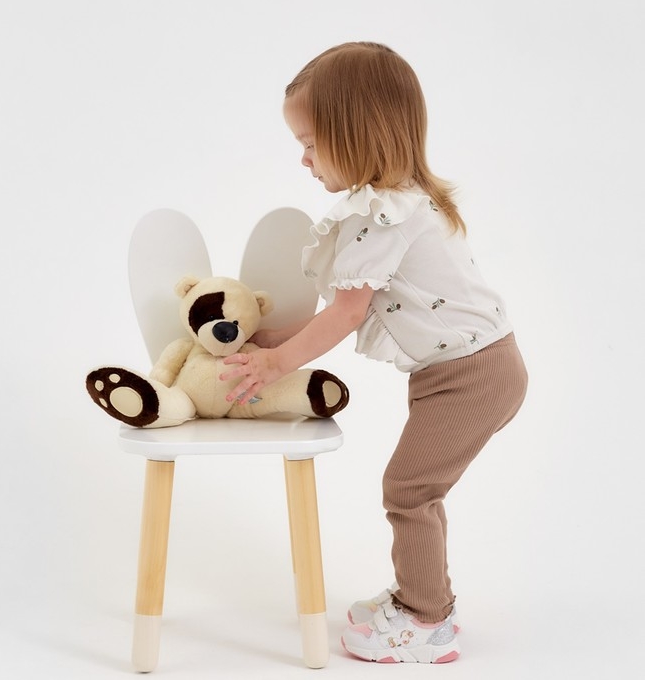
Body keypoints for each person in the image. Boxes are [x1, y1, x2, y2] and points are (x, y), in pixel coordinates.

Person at [220, 41, 528, 664]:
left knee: (409, 490)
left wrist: (275, 364)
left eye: (311, 143)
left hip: (471, 378)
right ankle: (420, 594)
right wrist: (274, 342)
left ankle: (427, 619)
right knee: (416, 487)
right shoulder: (405, 201)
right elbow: (344, 308)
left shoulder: (379, 215)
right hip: (472, 370)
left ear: (356, 134)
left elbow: (346, 313)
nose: (303, 159)